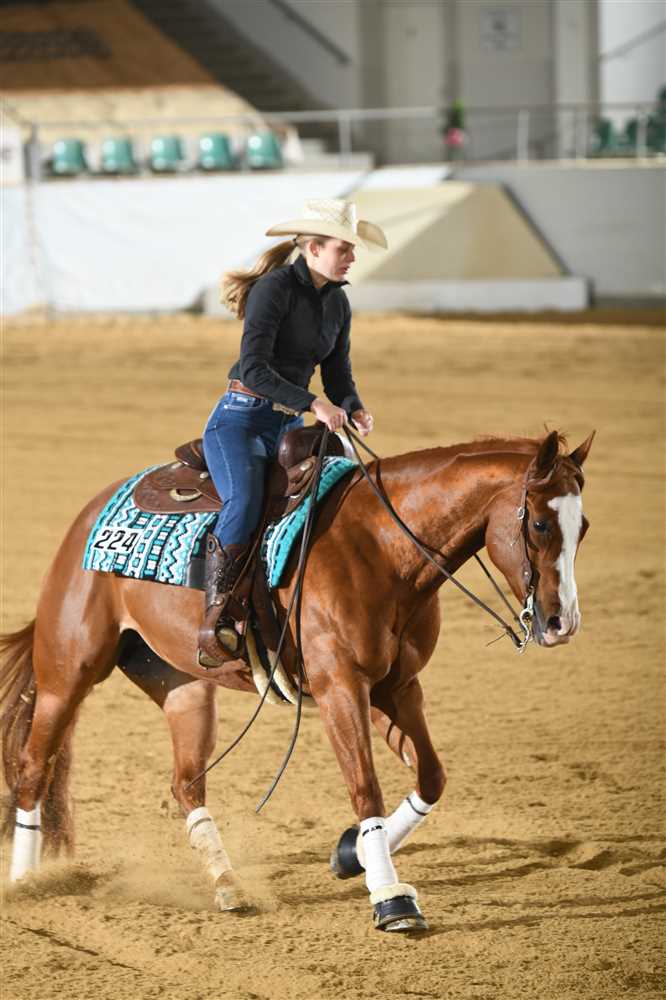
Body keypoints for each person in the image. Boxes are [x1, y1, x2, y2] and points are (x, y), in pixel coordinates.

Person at [198, 199, 388, 666]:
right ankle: (217, 615)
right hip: (240, 421)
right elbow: (254, 369)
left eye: (352, 249)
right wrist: (313, 403)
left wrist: (353, 406)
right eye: (344, 248)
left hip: (288, 426)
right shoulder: (273, 290)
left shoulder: (337, 302)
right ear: (313, 248)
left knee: (335, 498)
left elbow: (338, 373)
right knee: (245, 501)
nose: (352, 257)